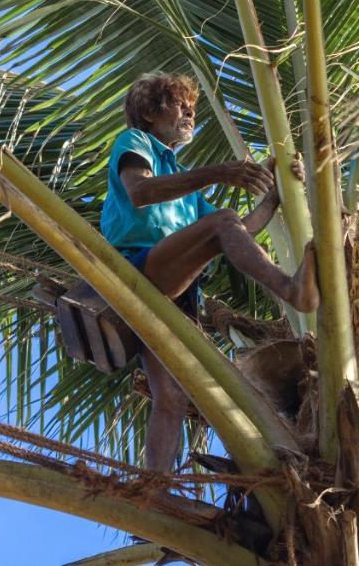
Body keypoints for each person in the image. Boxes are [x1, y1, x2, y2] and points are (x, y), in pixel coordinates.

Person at [100, 72, 318, 472]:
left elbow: (240, 233)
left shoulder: (179, 175)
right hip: (138, 271)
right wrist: (221, 172)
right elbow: (141, 192)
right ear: (149, 112)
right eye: (178, 103)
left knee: (171, 397)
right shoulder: (135, 142)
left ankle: (156, 487)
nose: (189, 111)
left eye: (193, 108)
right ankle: (291, 289)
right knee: (222, 220)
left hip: (176, 295)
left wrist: (275, 195)